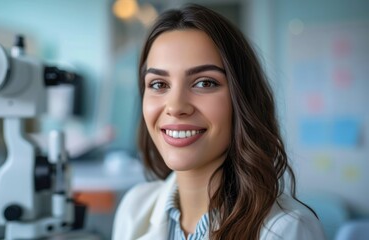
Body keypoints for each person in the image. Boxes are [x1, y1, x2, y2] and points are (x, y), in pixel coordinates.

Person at [112, 4, 326, 240]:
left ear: (242, 98)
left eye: (204, 83)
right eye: (159, 84)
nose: (175, 107)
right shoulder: (134, 207)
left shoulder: (286, 229)